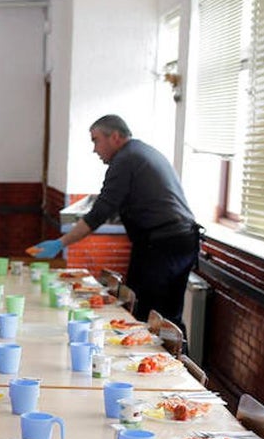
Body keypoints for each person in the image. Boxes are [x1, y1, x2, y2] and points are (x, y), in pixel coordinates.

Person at [31, 114, 201, 328]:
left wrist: (61, 243)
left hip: (163, 245)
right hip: (179, 239)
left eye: (96, 140)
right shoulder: (140, 152)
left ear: (116, 137)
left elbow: (99, 213)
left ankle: (157, 359)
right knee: (166, 315)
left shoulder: (125, 159)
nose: (94, 149)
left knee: (151, 313)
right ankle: (168, 358)